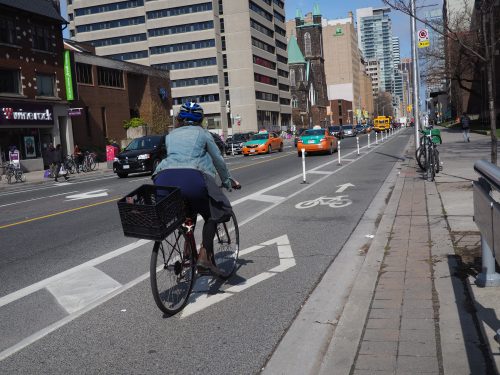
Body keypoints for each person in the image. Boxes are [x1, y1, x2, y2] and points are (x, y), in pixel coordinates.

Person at [153, 102, 240, 273]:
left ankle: (188, 249)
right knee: (213, 213)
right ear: (201, 119)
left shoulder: (170, 135)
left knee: (185, 212)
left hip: (163, 179)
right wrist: (228, 180)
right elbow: (218, 160)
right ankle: (203, 256)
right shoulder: (203, 134)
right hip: (192, 178)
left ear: (179, 119)